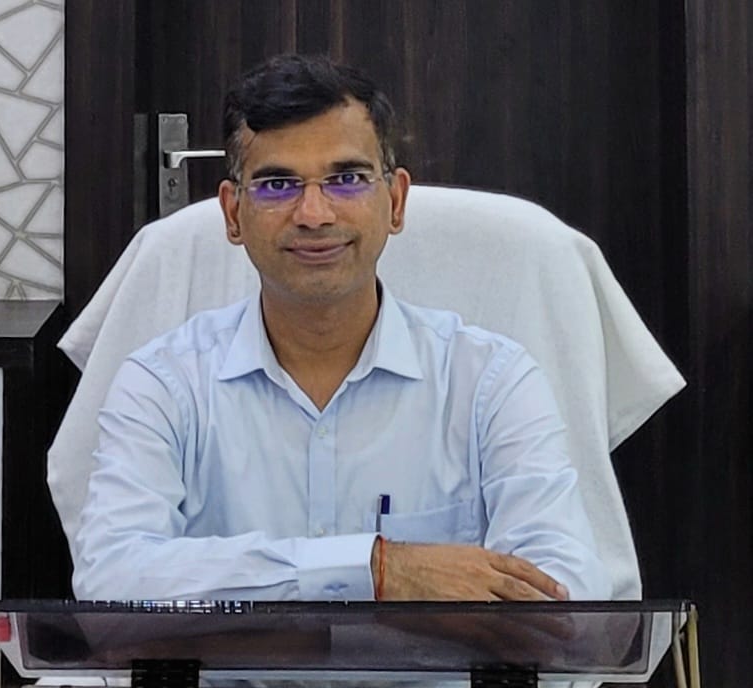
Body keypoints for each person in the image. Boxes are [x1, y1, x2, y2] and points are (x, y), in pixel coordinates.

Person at [72, 54, 612, 603]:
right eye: (277, 184)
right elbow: (110, 577)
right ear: (232, 214)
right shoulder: (163, 384)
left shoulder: (490, 382)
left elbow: (563, 586)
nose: (314, 214)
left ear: (395, 201)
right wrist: (377, 568)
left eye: (347, 179)